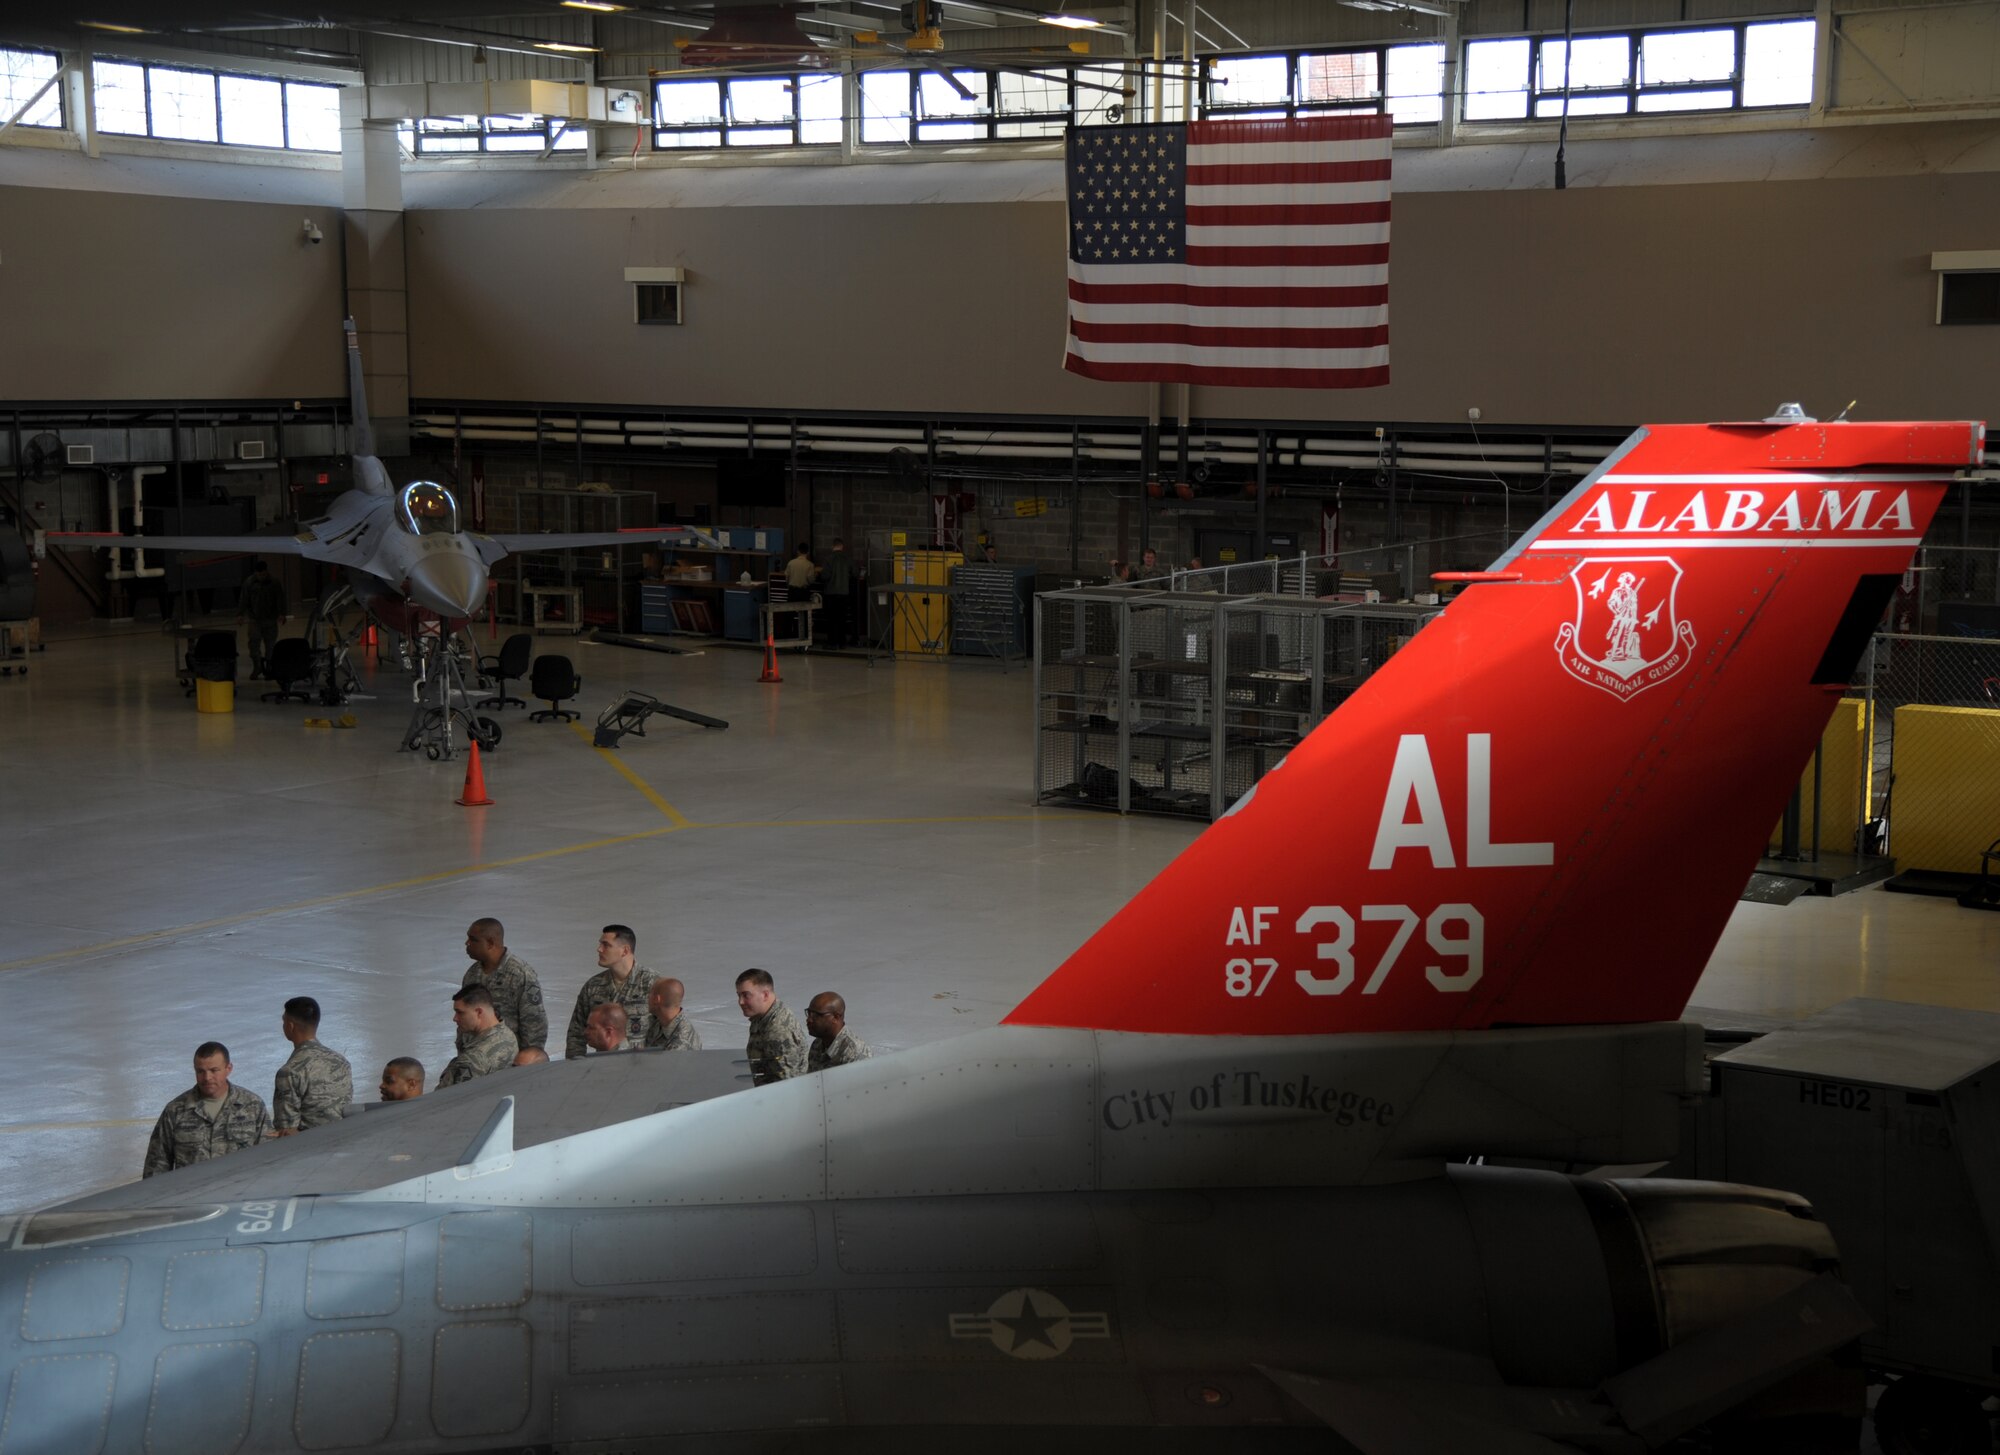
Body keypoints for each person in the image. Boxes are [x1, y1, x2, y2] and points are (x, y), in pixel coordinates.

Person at [143, 1042, 270, 1178]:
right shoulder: (175, 1111)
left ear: (229, 1068)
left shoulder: (252, 1106)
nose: (207, 1078)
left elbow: (268, 1157)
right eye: (200, 1071)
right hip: (192, 1196)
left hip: (240, 1192)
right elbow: (156, 1166)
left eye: (214, 1070)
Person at [461, 918, 548, 1062]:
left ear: (490, 943)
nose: (467, 943)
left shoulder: (520, 974)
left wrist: (526, 1063)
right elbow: (464, 1017)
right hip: (478, 1059)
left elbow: (534, 1024)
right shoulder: (472, 974)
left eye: (473, 939)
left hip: (508, 1061)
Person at [565, 924, 656, 1058]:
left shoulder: (652, 984)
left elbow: (667, 1029)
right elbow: (576, 1034)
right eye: (600, 944)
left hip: (643, 1066)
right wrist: (576, 1067)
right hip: (604, 1066)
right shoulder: (593, 986)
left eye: (606, 945)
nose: (599, 949)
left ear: (624, 951)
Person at [270, 996, 354, 1136]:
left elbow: (286, 1130)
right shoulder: (341, 1062)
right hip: (342, 1140)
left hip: (309, 1149)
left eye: (283, 1021)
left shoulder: (290, 1071)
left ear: (290, 1026)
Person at [439, 985, 519, 1088]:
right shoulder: (508, 1036)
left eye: (460, 1012)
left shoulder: (473, 1059)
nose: (455, 1018)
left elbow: (455, 1098)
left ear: (479, 1012)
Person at [735, 969, 806, 1086]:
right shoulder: (761, 1016)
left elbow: (788, 1084)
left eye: (746, 995)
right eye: (739, 995)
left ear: (765, 995)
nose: (741, 1002)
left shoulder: (779, 1030)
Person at [238, 558, 287, 678]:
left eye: (263, 574)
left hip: (270, 619)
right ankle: (257, 667)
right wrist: (240, 614)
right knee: (254, 644)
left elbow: (280, 598)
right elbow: (244, 599)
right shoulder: (249, 582)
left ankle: (269, 667)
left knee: (270, 645)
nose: (261, 576)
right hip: (255, 620)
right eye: (259, 574)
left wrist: (282, 613)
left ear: (266, 572)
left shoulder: (274, 582)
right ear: (255, 573)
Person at [805, 992, 873, 1073]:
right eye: (809, 1013)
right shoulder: (817, 1044)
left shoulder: (854, 1052)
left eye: (816, 1015)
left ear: (836, 1017)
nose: (809, 1020)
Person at [645, 977, 703, 1051]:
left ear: (657, 999)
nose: (647, 998)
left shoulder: (681, 1043)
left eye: (650, 994)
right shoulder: (658, 1021)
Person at [821, 538, 858, 650]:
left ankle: (832, 643)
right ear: (842, 546)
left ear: (833, 546)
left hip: (830, 594)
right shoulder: (848, 559)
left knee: (831, 619)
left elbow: (825, 576)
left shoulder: (828, 559)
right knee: (842, 619)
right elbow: (855, 574)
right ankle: (842, 643)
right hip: (844, 594)